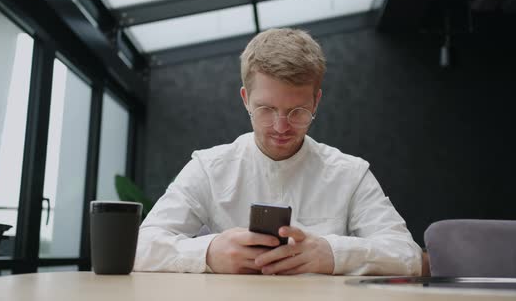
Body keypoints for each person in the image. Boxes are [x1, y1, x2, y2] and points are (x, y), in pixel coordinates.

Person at [134, 28, 422, 275]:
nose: (281, 127)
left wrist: (333, 253)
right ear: (246, 99)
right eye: (266, 109)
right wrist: (208, 252)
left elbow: (408, 255)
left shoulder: (350, 174)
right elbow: (139, 246)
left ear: (316, 102)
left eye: (297, 111)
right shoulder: (209, 168)